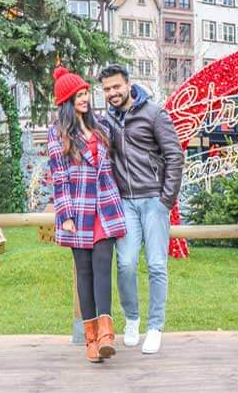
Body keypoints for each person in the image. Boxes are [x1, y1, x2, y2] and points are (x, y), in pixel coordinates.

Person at [97, 64, 184, 355]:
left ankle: (155, 326)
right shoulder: (107, 120)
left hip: (153, 202)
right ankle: (132, 320)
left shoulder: (154, 114)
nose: (112, 93)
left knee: (157, 265)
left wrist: (166, 200)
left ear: (128, 84)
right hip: (125, 203)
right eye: (107, 89)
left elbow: (174, 155)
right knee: (126, 264)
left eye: (116, 87)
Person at [48, 66, 126, 363]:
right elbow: (59, 178)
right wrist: (65, 215)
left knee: (104, 269)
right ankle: (90, 341)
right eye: (78, 95)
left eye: (85, 93)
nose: (84, 98)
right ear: (66, 101)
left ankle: (106, 335)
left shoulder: (102, 126)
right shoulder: (58, 133)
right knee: (84, 274)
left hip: (105, 208)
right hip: (78, 212)